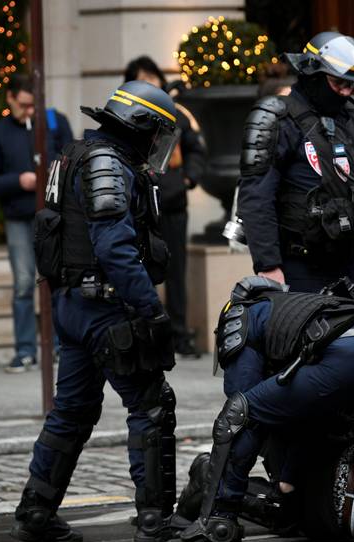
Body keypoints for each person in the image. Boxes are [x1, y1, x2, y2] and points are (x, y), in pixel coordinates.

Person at [162, 276, 354, 542]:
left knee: (241, 414)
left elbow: (243, 400)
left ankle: (218, 523)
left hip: (342, 359)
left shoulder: (244, 313)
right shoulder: (315, 306)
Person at [11, 80, 181, 542]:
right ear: (141, 126)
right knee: (150, 405)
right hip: (108, 309)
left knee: (72, 410)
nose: (156, 145)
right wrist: (151, 311)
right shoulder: (109, 163)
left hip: (70, 306)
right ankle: (154, 520)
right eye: (157, 133)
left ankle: (35, 512)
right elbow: (114, 246)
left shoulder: (75, 155)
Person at [236, 32, 354, 293]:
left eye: (351, 85)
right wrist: (269, 265)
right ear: (312, 74)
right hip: (303, 267)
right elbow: (256, 196)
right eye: (337, 83)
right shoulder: (275, 116)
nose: (345, 92)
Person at [0, 74, 74, 372]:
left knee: (57, 280)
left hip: (54, 217)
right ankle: (25, 350)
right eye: (23, 106)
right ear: (10, 99)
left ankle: (61, 346)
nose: (29, 112)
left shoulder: (54, 122)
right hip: (19, 217)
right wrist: (18, 181)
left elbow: (73, 158)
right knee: (23, 284)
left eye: (33, 106)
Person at [124, 56, 207, 358]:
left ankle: (179, 333)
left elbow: (198, 150)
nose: (148, 85)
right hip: (140, 206)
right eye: (140, 80)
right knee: (140, 270)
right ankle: (146, 333)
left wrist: (188, 179)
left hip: (172, 204)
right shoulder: (127, 114)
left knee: (176, 271)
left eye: (151, 79)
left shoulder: (178, 114)